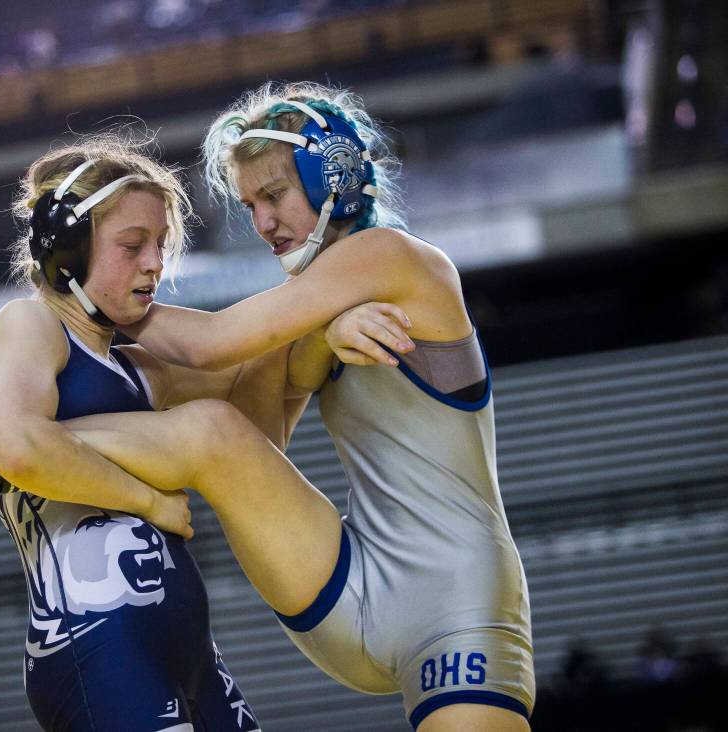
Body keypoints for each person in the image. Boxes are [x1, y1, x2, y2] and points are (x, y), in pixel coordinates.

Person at [55, 82, 536, 731]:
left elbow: (212, 342)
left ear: (331, 174)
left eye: (274, 195)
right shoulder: (315, 300)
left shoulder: (391, 255)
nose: (261, 223)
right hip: (349, 585)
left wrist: (88, 286)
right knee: (211, 429)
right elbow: (257, 440)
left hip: (459, 602)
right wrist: (311, 342)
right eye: (250, 204)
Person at [0, 136, 263, 732]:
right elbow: (21, 447)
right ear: (66, 253)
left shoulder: (142, 366)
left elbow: (255, 418)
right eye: (133, 245)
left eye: (161, 246)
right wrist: (148, 500)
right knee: (8, 438)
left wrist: (331, 329)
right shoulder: (33, 324)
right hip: (97, 645)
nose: (155, 263)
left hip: (190, 653)